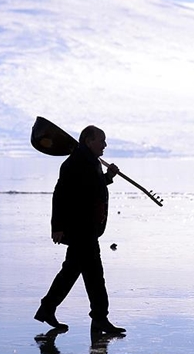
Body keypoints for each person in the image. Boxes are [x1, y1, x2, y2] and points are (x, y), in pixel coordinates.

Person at [34, 125, 126, 335]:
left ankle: (47, 309)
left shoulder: (90, 161)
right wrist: (57, 227)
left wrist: (108, 176)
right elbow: (60, 195)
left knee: (71, 272)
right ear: (88, 141)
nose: (105, 144)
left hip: (88, 228)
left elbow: (92, 189)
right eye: (101, 140)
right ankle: (100, 318)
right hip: (80, 229)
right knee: (94, 275)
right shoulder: (73, 163)